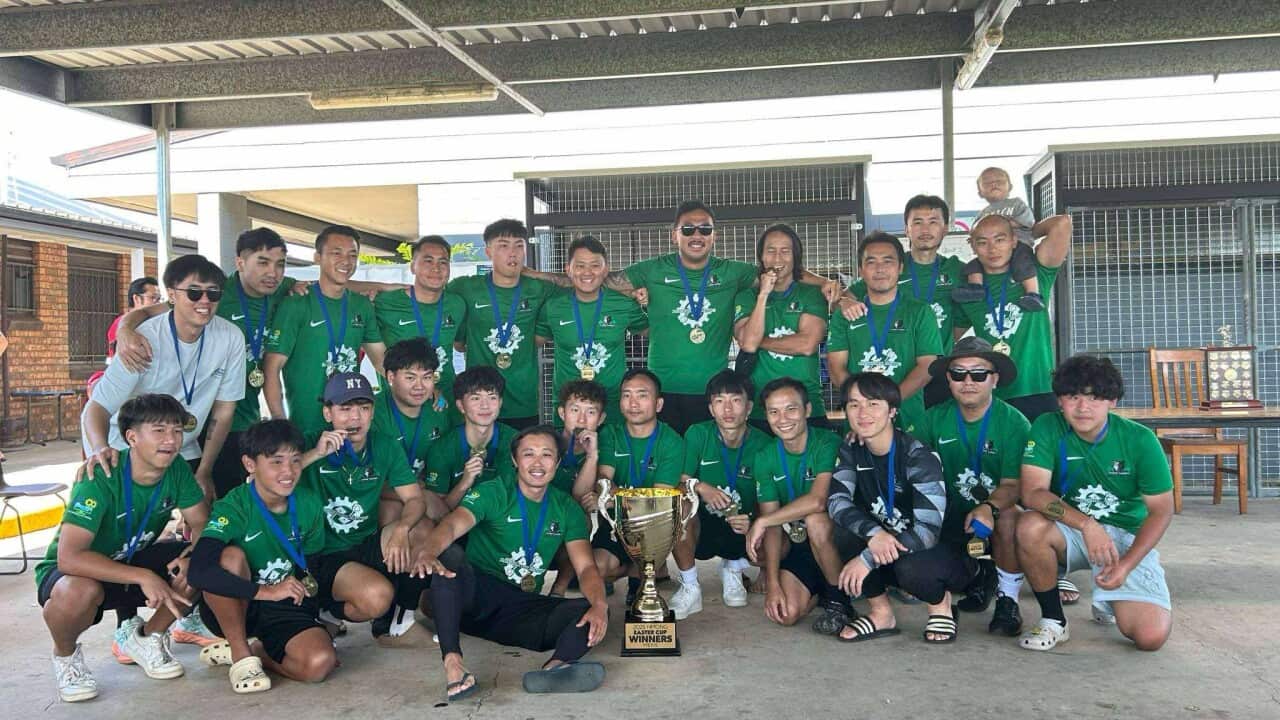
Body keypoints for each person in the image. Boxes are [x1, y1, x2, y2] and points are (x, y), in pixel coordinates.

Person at [414, 425, 609, 699]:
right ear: (516, 461)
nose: (538, 463)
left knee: (590, 611)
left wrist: (600, 605)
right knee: (450, 561)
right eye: (529, 454)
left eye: (547, 455)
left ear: (558, 462)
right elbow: (450, 526)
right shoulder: (494, 492)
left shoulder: (567, 508)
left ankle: (555, 668)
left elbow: (586, 567)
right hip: (476, 597)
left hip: (519, 608)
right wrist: (428, 551)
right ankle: (454, 664)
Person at [37, 394, 209, 702]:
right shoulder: (101, 475)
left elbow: (202, 524)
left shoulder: (177, 468)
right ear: (131, 437)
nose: (171, 440)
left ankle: (146, 638)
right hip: (78, 571)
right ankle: (66, 659)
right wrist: (144, 575)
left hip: (129, 561)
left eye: (176, 430)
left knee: (205, 561)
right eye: (159, 430)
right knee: (78, 592)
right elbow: (69, 557)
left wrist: (192, 555)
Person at [114, 228, 301, 499]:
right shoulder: (212, 295)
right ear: (240, 263)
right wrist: (125, 330)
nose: (272, 272)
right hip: (202, 418)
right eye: (262, 262)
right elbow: (147, 312)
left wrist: (381, 288)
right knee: (188, 496)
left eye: (279, 264)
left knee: (230, 498)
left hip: (242, 418)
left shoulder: (282, 289)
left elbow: (332, 284)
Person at [1015, 355, 1174, 652]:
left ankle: (1112, 598)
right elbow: (1032, 493)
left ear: (1112, 401)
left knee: (1150, 638)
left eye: (1095, 397)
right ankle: (1053, 620)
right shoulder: (1047, 426)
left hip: (1126, 535)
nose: (1083, 407)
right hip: (1072, 529)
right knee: (1029, 525)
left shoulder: (1140, 440)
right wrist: (1087, 525)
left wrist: (1127, 565)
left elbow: (1162, 510)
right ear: (1059, 400)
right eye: (1073, 396)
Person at [82, 254, 246, 506]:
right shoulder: (143, 340)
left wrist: (204, 470)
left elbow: (223, 412)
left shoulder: (231, 337)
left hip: (183, 445)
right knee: (122, 526)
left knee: (203, 516)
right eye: (194, 293)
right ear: (172, 294)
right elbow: (97, 407)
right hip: (128, 448)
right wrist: (99, 449)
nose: (205, 301)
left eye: (213, 294)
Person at [187, 419, 336, 693]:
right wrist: (265, 591)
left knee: (320, 664)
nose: (288, 472)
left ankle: (257, 650)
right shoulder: (234, 505)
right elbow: (198, 571)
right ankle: (241, 652)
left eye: (294, 461)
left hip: (287, 602)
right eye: (276, 462)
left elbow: (313, 564)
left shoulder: (309, 502)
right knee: (229, 557)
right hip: (238, 602)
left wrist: (319, 620)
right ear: (250, 465)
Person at [828, 373, 973, 644]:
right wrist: (874, 534)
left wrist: (867, 557)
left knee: (912, 568)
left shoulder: (918, 455)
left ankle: (940, 605)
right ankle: (881, 613)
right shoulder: (851, 448)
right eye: (854, 404)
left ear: (892, 411)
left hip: (938, 553)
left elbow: (927, 532)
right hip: (887, 545)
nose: (863, 413)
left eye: (873, 404)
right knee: (842, 531)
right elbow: (837, 502)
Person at [302, 372, 434, 648]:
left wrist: (401, 528)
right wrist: (315, 454)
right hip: (324, 554)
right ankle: (326, 610)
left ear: (373, 412)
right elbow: (262, 482)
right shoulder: (307, 442)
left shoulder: (383, 444)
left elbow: (415, 499)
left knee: (421, 529)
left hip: (366, 541)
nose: (355, 418)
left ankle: (400, 619)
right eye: (345, 409)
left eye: (364, 408)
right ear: (328, 413)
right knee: (376, 597)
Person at [915, 337, 1031, 635]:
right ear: (948, 380)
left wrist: (987, 506)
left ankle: (1007, 600)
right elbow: (914, 469)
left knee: (1010, 516)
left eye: (979, 374)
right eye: (958, 374)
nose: (968, 381)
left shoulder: (1015, 423)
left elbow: (1013, 484)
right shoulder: (932, 419)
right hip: (950, 513)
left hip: (993, 512)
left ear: (994, 379)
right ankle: (977, 575)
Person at [744, 378, 852, 633]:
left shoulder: (827, 443)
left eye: (791, 409)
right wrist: (773, 584)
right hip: (799, 545)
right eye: (774, 412)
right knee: (786, 614)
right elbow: (772, 524)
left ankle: (840, 603)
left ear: (807, 410)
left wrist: (762, 521)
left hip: (836, 542)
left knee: (816, 520)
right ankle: (821, 591)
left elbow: (818, 500)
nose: (783, 419)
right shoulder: (765, 456)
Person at [263, 225, 386, 435]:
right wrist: (280, 422)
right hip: (306, 430)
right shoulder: (296, 304)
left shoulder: (361, 305)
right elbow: (271, 368)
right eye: (336, 253)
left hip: (348, 428)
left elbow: (382, 361)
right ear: (317, 257)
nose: (346, 261)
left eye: (352, 254)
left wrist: (415, 385)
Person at [950, 212, 1073, 422]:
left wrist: (1025, 229)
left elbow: (1062, 223)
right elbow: (951, 340)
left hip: (1037, 389)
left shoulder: (1035, 273)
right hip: (990, 395)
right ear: (972, 245)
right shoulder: (969, 292)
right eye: (982, 242)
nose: (992, 249)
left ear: (1013, 240)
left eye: (1000, 239)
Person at [669, 370, 771, 618]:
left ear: (748, 407)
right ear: (711, 408)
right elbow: (678, 480)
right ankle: (690, 585)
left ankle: (734, 569)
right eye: (719, 401)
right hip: (702, 524)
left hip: (741, 525)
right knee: (678, 507)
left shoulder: (764, 444)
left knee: (773, 525)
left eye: (735, 400)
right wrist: (701, 487)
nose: (728, 409)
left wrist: (756, 522)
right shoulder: (698, 434)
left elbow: (769, 497)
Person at [446, 219, 556, 430]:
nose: (512, 253)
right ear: (488, 252)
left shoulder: (539, 288)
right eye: (503, 246)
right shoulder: (465, 288)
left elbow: (577, 285)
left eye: (519, 246)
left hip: (523, 403)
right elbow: (458, 342)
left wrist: (537, 274)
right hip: (479, 403)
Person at [828, 232, 942, 434]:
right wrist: (864, 408)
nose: (879, 269)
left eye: (887, 261)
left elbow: (926, 366)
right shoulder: (844, 315)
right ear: (861, 270)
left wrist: (887, 403)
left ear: (900, 267)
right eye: (871, 262)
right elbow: (837, 369)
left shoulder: (920, 312)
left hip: (909, 420)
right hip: (860, 424)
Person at [593, 368, 685, 606]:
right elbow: (603, 479)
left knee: (668, 519)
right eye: (626, 395)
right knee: (599, 567)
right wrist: (610, 491)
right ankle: (635, 569)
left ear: (658, 403)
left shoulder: (672, 441)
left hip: (653, 525)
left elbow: (659, 497)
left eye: (642, 395)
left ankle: (643, 581)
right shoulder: (610, 434)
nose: (633, 403)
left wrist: (617, 495)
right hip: (616, 524)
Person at [535, 235, 647, 426]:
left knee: (612, 455)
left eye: (595, 265)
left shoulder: (624, 304)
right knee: (570, 455)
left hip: (612, 405)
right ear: (568, 270)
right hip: (568, 406)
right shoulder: (553, 307)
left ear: (606, 270)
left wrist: (651, 301)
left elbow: (656, 333)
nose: (587, 272)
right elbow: (531, 343)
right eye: (580, 265)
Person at [733, 224, 830, 431]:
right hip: (761, 408)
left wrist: (761, 341)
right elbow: (748, 343)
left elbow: (807, 344)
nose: (778, 258)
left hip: (807, 407)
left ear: (795, 257)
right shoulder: (746, 297)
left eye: (785, 251)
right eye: (771, 250)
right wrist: (763, 295)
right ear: (761, 257)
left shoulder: (811, 294)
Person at [372, 235, 467, 419]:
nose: (436, 269)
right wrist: (382, 286)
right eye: (428, 261)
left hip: (445, 401)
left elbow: (459, 344)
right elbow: (342, 286)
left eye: (443, 262)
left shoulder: (457, 304)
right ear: (412, 266)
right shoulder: (385, 302)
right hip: (400, 404)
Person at [899, 195, 969, 408]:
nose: (925, 229)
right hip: (899, 369)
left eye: (933, 221)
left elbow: (963, 319)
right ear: (907, 229)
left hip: (939, 371)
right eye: (917, 222)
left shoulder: (958, 270)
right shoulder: (891, 266)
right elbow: (849, 297)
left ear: (945, 228)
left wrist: (937, 341)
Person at [422, 366, 519, 513]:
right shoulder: (442, 449)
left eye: (492, 397)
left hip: (504, 523)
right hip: (457, 525)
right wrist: (465, 483)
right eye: (475, 398)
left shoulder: (518, 442)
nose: (485, 405)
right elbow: (437, 512)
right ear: (461, 406)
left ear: (500, 403)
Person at [544, 379, 605, 597]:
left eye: (590, 412)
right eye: (575, 410)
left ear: (601, 418)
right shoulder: (545, 443)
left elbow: (581, 498)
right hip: (538, 518)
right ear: (562, 413)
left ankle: (558, 591)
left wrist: (592, 456)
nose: (581, 418)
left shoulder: (603, 449)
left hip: (569, 525)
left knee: (583, 519)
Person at [953, 167, 1045, 312]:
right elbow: (976, 231)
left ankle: (1033, 294)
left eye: (999, 181)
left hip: (1019, 245)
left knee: (1024, 264)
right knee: (973, 265)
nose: (994, 184)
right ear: (980, 192)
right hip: (994, 252)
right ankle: (976, 288)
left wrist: (1003, 226)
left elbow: (1028, 222)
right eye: (988, 182)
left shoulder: (1017, 204)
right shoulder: (983, 213)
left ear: (1010, 186)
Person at [107, 276, 160, 360]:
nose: (157, 303)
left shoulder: (154, 322)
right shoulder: (122, 324)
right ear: (137, 298)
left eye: (158, 298)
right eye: (153, 298)